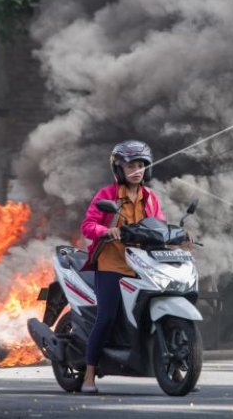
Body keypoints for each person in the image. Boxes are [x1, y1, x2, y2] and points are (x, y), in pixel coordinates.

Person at [79, 140, 165, 394]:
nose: (137, 170)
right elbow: (88, 226)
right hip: (112, 263)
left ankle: (176, 371)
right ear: (119, 169)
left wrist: (179, 236)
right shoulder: (106, 195)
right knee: (106, 317)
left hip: (143, 264)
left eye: (141, 165)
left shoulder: (150, 198)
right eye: (130, 166)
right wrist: (108, 231)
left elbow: (159, 225)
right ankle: (89, 375)